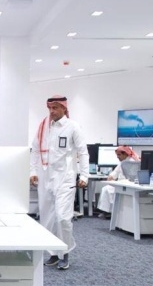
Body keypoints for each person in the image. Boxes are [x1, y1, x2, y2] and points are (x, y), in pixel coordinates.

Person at [29, 94, 89, 270]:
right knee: (47, 218)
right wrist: (33, 171)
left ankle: (65, 252)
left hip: (65, 178)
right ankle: (53, 254)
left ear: (64, 108)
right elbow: (35, 150)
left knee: (63, 217)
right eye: (50, 108)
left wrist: (84, 176)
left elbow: (83, 152)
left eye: (55, 108)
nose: (52, 111)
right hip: (46, 178)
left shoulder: (73, 127)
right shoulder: (44, 127)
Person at [97, 145, 140, 217]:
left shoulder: (132, 162)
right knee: (106, 188)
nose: (117, 157)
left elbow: (132, 178)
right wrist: (111, 176)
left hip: (127, 185)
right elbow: (115, 172)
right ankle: (107, 211)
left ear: (125, 154)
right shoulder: (123, 162)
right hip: (120, 184)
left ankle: (109, 212)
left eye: (119, 155)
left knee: (107, 189)